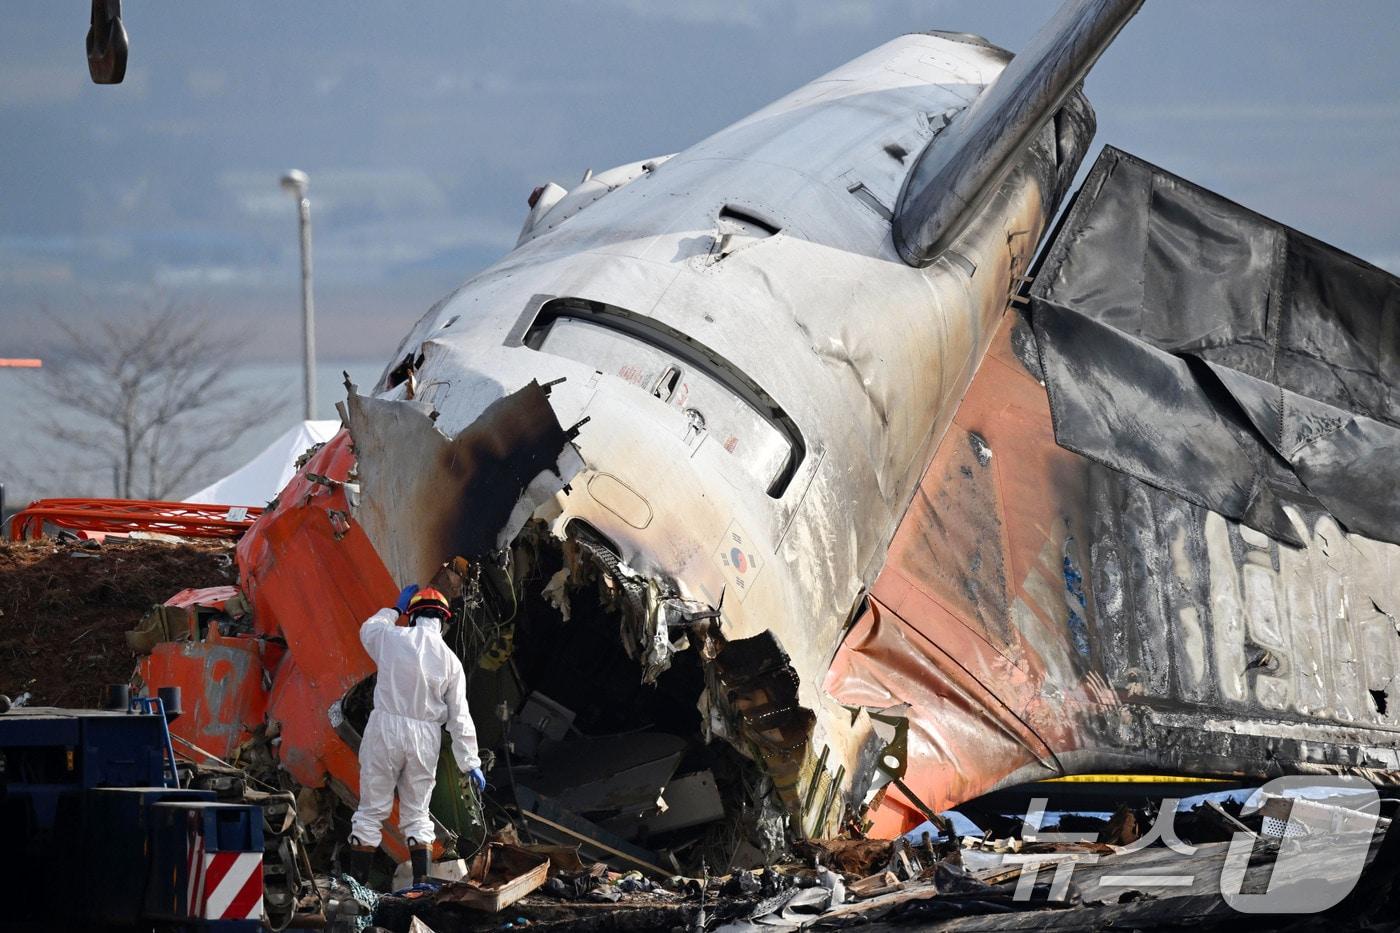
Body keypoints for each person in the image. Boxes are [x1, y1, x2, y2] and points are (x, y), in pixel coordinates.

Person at [347, 583, 485, 886]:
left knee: (371, 809)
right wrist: (470, 762)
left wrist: (393, 609)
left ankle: (357, 886)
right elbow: (459, 716)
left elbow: (368, 629)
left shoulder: (392, 637)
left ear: (412, 616)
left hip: (385, 728)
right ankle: (420, 885)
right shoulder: (451, 662)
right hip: (425, 737)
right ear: (444, 620)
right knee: (417, 812)